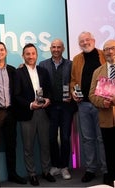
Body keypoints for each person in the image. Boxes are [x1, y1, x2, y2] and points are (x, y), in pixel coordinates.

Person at [14, 43, 55, 186]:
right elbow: (16, 95)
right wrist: (30, 105)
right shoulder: (18, 73)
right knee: (28, 147)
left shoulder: (43, 71)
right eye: (27, 54)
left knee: (45, 145)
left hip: (44, 112)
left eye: (33, 53)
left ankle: (46, 171)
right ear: (23, 56)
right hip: (28, 114)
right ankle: (32, 174)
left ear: (36, 55)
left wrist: (48, 99)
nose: (31, 56)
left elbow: (49, 89)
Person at [70, 31, 107, 183]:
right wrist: (73, 92)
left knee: (102, 138)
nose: (85, 43)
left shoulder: (103, 55)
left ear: (93, 40)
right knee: (87, 139)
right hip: (83, 105)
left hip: (101, 105)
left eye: (87, 40)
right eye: (81, 41)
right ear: (79, 44)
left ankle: (106, 169)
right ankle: (91, 169)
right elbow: (73, 80)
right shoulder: (77, 59)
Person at [0, 41, 27, 185]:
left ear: (6, 52)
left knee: (11, 145)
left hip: (11, 112)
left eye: (1, 50)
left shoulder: (13, 70)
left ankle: (12, 174)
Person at [39, 39, 76, 180]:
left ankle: (64, 166)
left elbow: (75, 82)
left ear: (63, 49)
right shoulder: (43, 65)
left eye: (58, 47)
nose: (56, 49)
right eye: (53, 47)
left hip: (67, 107)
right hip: (51, 107)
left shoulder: (70, 64)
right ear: (50, 48)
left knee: (65, 138)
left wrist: (73, 95)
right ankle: (55, 165)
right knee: (51, 138)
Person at [89, 40, 115, 186]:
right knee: (111, 154)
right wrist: (102, 102)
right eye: (106, 49)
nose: (110, 52)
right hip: (106, 119)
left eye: (113, 48)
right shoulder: (97, 72)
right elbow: (92, 95)